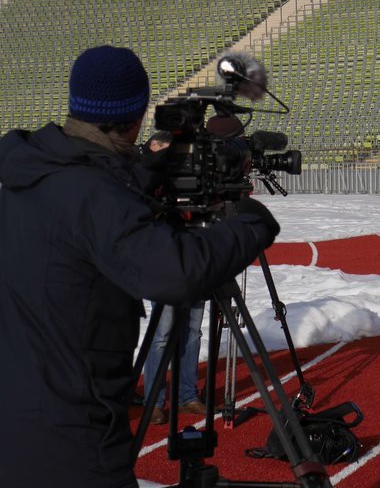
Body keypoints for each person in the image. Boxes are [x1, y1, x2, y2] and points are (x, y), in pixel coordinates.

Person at [0, 45, 280, 487]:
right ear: (134, 117)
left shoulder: (34, 169)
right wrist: (251, 225)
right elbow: (174, 272)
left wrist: (146, 171)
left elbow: (92, 204)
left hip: (18, 411)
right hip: (69, 435)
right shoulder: (94, 194)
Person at [143, 301, 207, 424]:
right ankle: (153, 403)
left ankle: (187, 397)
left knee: (192, 332)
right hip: (165, 282)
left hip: (195, 282)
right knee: (162, 334)